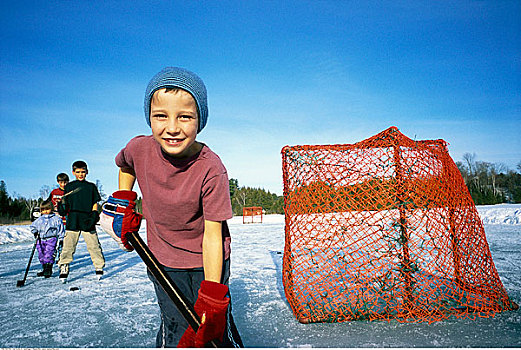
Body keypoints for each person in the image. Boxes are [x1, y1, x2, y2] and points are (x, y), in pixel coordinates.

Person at [103, 67, 243, 347]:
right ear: (149, 118)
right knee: (176, 323)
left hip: (207, 260)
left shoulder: (211, 169)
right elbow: (125, 164)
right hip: (163, 260)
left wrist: (213, 292)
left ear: (199, 119)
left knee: (211, 326)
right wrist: (122, 199)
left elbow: (213, 235)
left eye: (185, 117)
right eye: (160, 116)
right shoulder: (139, 148)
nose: (172, 128)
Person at [58, 160, 105, 282]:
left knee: (94, 246)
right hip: (73, 219)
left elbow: (95, 203)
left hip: (87, 219)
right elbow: (65, 204)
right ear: (73, 172)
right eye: (78, 172)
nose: (80, 174)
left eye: (83, 172)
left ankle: (99, 267)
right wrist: (62, 207)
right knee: (68, 246)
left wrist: (94, 214)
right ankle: (64, 266)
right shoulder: (69, 187)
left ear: (87, 172)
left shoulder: (91, 187)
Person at [29, 200, 65, 278]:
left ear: (51, 208)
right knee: (41, 254)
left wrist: (61, 239)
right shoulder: (39, 219)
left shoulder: (56, 219)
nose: (45, 211)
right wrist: (35, 232)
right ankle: (44, 268)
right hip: (40, 239)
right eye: (43, 210)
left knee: (49, 253)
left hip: (51, 239)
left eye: (47, 209)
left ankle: (48, 269)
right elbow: (32, 227)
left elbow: (61, 229)